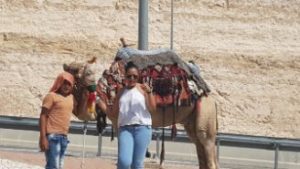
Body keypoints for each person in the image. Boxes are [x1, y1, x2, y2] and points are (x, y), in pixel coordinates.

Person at [111, 61, 156, 169]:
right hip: (125, 129)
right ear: (125, 76)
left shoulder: (143, 89)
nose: (132, 79)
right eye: (129, 76)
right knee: (124, 161)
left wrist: (149, 93)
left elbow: (153, 109)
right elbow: (114, 113)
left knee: (137, 164)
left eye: (135, 76)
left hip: (143, 128)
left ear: (138, 77)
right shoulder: (121, 92)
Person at [39, 71, 75, 169]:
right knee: (53, 166)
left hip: (64, 137)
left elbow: (80, 111)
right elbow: (43, 116)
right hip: (52, 137)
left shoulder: (71, 98)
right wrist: (43, 138)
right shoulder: (51, 96)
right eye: (64, 83)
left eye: (69, 84)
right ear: (59, 83)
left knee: (59, 166)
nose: (66, 86)